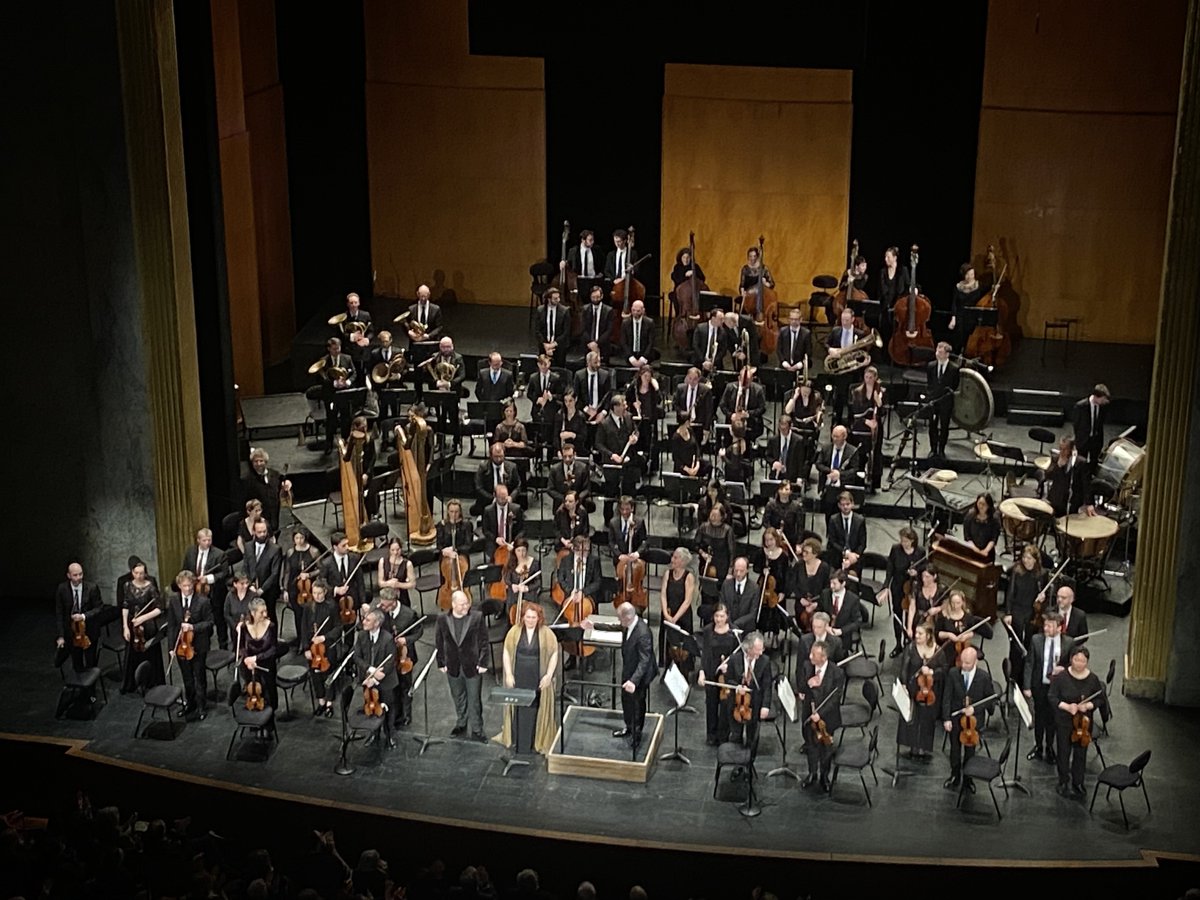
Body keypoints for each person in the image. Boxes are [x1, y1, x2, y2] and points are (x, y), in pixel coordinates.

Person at [584, 602, 657, 749]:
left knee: (637, 704)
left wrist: (633, 681)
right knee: (626, 700)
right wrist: (594, 626)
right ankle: (629, 727)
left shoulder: (643, 633)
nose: (618, 621)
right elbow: (615, 627)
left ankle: (637, 734)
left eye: (619, 618)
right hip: (629, 668)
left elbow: (644, 661)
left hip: (640, 675)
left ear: (628, 617)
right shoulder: (628, 624)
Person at [498, 604, 559, 755]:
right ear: (523, 617)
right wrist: (509, 674)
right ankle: (517, 740)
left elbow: (554, 654)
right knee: (519, 708)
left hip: (536, 678)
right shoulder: (514, 631)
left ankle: (533, 741)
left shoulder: (547, 633)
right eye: (528, 617)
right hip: (519, 676)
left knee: (534, 708)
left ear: (539, 618)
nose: (530, 620)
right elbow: (506, 652)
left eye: (533, 617)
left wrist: (549, 675)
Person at [1048, 646, 1109, 798]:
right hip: (1065, 721)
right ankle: (1063, 781)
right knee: (1063, 752)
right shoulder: (1061, 678)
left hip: (1084, 722)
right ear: (1071, 660)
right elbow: (1052, 697)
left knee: (1081, 753)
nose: (1079, 663)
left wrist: (1088, 705)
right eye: (1076, 660)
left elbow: (1100, 698)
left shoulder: (1093, 679)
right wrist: (1068, 707)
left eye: (1083, 661)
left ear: (1087, 662)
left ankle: (1078, 782)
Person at [436, 590, 490, 742]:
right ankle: (461, 723)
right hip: (452, 665)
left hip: (472, 665)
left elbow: (484, 641)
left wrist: (483, 662)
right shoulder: (442, 619)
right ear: (453, 605)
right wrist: (441, 662)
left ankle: (477, 729)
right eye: (462, 604)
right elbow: (439, 641)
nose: (466, 606)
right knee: (458, 697)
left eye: (467, 603)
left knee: (474, 699)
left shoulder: (477, 617)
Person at [1022, 611, 1075, 765]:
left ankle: (1050, 747)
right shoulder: (1036, 640)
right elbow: (1030, 663)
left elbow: (1073, 665)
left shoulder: (1069, 643)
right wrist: (1026, 686)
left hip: (1057, 688)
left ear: (1059, 628)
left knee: (1052, 719)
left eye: (1050, 626)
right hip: (1040, 685)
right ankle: (1038, 746)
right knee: (1039, 717)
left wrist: (1064, 669)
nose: (1045, 629)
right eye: (1045, 625)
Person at [941, 646, 995, 790]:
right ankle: (955, 775)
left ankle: (968, 778)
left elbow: (990, 699)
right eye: (962, 662)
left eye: (967, 663)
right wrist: (946, 718)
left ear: (975, 662)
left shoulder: (983, 677)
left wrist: (974, 709)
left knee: (970, 750)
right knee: (955, 748)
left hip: (973, 721)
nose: (963, 666)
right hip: (956, 719)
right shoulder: (953, 673)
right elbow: (947, 697)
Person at [167, 571, 214, 720]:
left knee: (199, 676)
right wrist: (170, 647)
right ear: (179, 585)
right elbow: (172, 625)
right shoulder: (173, 601)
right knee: (186, 677)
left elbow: (209, 623)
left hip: (199, 645)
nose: (187, 589)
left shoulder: (203, 601)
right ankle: (190, 703)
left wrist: (193, 628)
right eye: (184, 586)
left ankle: (201, 706)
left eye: (190, 585)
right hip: (181, 646)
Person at [798, 641, 844, 791]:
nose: (810, 656)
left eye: (814, 655)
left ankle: (825, 776)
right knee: (811, 746)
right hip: (809, 715)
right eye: (811, 653)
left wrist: (820, 713)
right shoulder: (807, 666)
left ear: (823, 658)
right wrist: (808, 684)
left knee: (826, 749)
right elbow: (801, 689)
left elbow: (835, 697)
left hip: (827, 717)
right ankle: (812, 774)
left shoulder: (837, 672)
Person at [897, 622, 946, 759]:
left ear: (928, 635)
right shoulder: (911, 648)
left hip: (930, 690)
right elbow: (904, 668)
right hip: (913, 688)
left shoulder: (938, 650)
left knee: (926, 719)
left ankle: (924, 747)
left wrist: (932, 672)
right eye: (916, 633)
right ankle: (912, 746)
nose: (916, 636)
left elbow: (943, 670)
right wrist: (904, 684)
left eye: (920, 633)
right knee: (912, 718)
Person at [375, 587, 421, 727]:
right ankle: (395, 715)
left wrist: (405, 640)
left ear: (394, 602)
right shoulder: (382, 612)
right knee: (392, 687)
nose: (383, 607)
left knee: (405, 687)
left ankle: (406, 715)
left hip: (404, 656)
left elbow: (418, 632)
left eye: (386, 605)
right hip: (389, 657)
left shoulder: (409, 614)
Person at [354, 606, 399, 749]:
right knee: (371, 707)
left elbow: (391, 660)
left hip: (385, 680)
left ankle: (390, 734)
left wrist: (378, 676)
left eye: (368, 620)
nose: (364, 622)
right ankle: (374, 733)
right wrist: (370, 670)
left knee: (388, 708)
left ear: (377, 623)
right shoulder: (361, 635)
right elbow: (357, 656)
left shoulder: (387, 638)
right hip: (368, 678)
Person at [696, 604, 740, 745]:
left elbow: (737, 655)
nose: (719, 619)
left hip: (727, 674)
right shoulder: (708, 630)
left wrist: (729, 665)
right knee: (711, 703)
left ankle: (723, 735)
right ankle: (711, 734)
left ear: (727, 616)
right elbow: (705, 654)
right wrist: (702, 672)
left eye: (722, 616)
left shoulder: (734, 633)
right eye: (716, 616)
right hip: (711, 671)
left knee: (726, 705)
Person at [1004, 545, 1047, 686]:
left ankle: (1025, 677)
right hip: (1017, 609)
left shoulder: (1041, 574)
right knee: (1016, 644)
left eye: (1029, 558)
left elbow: (1043, 594)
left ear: (1035, 560)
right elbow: (1010, 593)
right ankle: (1013, 675)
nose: (1026, 561)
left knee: (1029, 643)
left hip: (1032, 611)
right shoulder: (1017, 571)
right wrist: (1008, 613)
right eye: (1024, 558)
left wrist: (1042, 596)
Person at [722, 632, 773, 747]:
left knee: (753, 737)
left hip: (755, 702)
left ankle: (749, 759)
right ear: (748, 648)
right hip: (736, 703)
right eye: (757, 649)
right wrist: (736, 687)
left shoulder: (765, 661)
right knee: (735, 735)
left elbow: (767, 685)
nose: (760, 652)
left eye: (762, 649)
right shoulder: (734, 659)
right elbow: (728, 679)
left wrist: (765, 706)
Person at [120, 560, 164, 693]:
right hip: (133, 626)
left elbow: (159, 609)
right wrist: (125, 627)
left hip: (148, 626)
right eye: (136, 573)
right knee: (132, 655)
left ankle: (151, 682)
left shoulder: (150, 587)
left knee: (150, 654)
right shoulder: (127, 586)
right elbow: (126, 605)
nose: (139, 576)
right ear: (132, 573)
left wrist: (142, 618)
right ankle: (133, 683)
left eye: (142, 573)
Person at [301, 579, 342, 718]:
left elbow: (338, 627)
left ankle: (329, 703)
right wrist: (306, 648)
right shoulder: (308, 607)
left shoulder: (331, 606)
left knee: (328, 675)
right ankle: (321, 702)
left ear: (325, 592)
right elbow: (304, 628)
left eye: (319, 593)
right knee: (315, 675)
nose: (317, 596)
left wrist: (324, 638)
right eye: (314, 593)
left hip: (327, 647)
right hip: (312, 648)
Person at [184, 528, 230, 649]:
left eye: (209, 540)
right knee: (200, 620)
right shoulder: (190, 552)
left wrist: (208, 578)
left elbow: (224, 573)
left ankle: (223, 645)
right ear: (198, 540)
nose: (207, 543)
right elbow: (185, 570)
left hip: (214, 593)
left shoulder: (219, 554)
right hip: (197, 593)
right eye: (204, 540)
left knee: (219, 620)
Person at [882, 527, 924, 656]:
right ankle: (898, 644)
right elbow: (890, 568)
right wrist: (886, 586)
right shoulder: (895, 549)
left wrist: (916, 572)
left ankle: (909, 641)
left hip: (913, 587)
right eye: (902, 540)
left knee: (911, 615)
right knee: (898, 614)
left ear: (912, 540)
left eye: (906, 541)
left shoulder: (920, 551)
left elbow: (924, 567)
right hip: (898, 586)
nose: (903, 543)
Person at [55, 562, 103, 672]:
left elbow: (99, 608)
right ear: (69, 576)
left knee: (91, 663)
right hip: (72, 632)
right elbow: (59, 613)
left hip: (89, 631)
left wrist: (83, 616)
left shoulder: (92, 588)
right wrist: (61, 636)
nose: (78, 578)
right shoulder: (62, 589)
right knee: (77, 663)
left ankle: (90, 688)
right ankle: (80, 685)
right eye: (75, 575)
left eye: (80, 574)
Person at [825, 307, 866, 425]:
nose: (844, 322)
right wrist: (830, 349)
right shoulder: (835, 331)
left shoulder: (860, 334)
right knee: (838, 399)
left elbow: (863, 354)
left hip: (853, 372)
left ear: (853, 319)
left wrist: (859, 360)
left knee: (852, 401)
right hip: (839, 372)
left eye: (847, 320)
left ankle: (851, 423)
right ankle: (836, 422)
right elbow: (826, 343)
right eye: (843, 320)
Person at [659, 547, 697, 673]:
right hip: (668, 612)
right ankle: (668, 668)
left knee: (683, 644)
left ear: (683, 561)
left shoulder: (688, 577)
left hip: (682, 615)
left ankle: (683, 669)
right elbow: (663, 594)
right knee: (668, 641)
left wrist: (675, 618)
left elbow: (687, 601)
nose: (672, 560)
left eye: (675, 558)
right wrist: (665, 613)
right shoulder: (667, 574)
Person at [848, 366, 885, 492]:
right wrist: (866, 421)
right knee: (861, 455)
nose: (868, 380)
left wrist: (879, 403)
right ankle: (859, 482)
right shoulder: (857, 392)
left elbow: (883, 412)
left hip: (875, 429)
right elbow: (854, 413)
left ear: (875, 378)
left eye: (871, 377)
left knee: (875, 455)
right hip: (861, 428)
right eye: (866, 377)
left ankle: (874, 483)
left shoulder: (880, 392)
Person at [281, 528, 320, 648]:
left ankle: (309, 639)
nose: (299, 541)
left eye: (301, 538)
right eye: (297, 538)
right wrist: (285, 589)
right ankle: (300, 639)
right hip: (294, 588)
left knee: (310, 614)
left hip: (309, 588)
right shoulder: (290, 552)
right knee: (298, 615)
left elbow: (320, 569)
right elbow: (287, 571)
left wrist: (309, 575)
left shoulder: (314, 551)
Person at [318, 337, 357, 453]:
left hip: (344, 393)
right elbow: (321, 378)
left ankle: (345, 441)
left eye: (338, 348)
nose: (337, 351)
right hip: (331, 394)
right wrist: (334, 383)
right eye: (334, 349)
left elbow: (354, 373)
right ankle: (329, 443)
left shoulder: (347, 358)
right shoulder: (323, 361)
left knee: (346, 418)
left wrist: (348, 382)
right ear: (329, 349)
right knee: (331, 419)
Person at [934, 589, 993, 664]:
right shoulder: (943, 615)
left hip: (963, 645)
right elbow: (937, 633)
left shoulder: (967, 616)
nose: (955, 606)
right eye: (953, 603)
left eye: (958, 603)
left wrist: (966, 636)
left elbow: (972, 631)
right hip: (947, 646)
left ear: (962, 602)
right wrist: (949, 635)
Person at [242, 448, 292, 534]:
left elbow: (283, 485)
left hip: (275, 515)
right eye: (255, 461)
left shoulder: (275, 474)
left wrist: (287, 483)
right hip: (259, 519)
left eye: (261, 461)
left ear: (266, 461)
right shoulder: (248, 480)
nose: (258, 464)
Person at [244, 516, 283, 625]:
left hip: (268, 590)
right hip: (251, 588)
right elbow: (245, 567)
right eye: (259, 532)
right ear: (254, 532)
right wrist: (250, 584)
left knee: (269, 615)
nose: (262, 534)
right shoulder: (248, 546)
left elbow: (275, 573)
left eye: (264, 531)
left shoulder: (275, 549)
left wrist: (262, 589)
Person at [695, 504, 735, 606]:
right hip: (706, 564)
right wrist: (702, 553)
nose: (712, 517)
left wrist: (730, 571)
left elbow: (731, 551)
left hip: (722, 565)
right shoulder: (703, 527)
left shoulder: (727, 530)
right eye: (712, 514)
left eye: (716, 515)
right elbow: (695, 544)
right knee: (706, 592)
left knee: (719, 595)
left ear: (722, 517)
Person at [1043, 436, 1092, 516]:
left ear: (1072, 449)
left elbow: (1086, 484)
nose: (1062, 452)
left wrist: (1089, 503)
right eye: (1060, 448)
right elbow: (1048, 475)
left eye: (1065, 449)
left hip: (1072, 500)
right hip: (1056, 498)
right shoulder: (1056, 458)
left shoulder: (1081, 463)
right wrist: (1058, 466)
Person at [925, 341, 959, 459]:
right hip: (933, 401)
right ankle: (933, 449)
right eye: (937, 351)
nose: (938, 354)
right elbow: (930, 383)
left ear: (947, 354)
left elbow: (955, 385)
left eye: (941, 352)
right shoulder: (931, 366)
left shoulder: (954, 369)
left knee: (944, 426)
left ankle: (941, 450)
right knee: (932, 426)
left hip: (946, 402)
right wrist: (930, 397)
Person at [817, 570, 863, 650]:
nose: (831, 586)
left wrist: (841, 631)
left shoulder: (853, 599)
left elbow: (857, 622)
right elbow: (819, 612)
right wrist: (826, 626)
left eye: (834, 583)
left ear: (843, 583)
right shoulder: (825, 594)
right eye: (831, 583)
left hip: (843, 636)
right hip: (825, 633)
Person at [321, 531, 365, 616]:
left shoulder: (354, 558)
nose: (347, 547)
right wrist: (335, 590)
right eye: (343, 545)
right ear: (335, 547)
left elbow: (360, 582)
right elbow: (322, 582)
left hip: (351, 602)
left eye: (347, 544)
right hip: (335, 603)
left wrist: (363, 602)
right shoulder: (326, 563)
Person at [1069, 383, 1111, 471]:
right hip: (1083, 439)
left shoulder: (1103, 407)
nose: (1104, 402)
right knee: (1081, 463)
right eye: (1103, 399)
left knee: (1094, 463)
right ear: (1096, 396)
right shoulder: (1080, 406)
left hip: (1096, 440)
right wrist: (1078, 438)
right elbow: (1076, 424)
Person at [719, 364, 766, 442]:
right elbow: (722, 405)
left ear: (752, 379)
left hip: (750, 423)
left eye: (748, 381)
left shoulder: (758, 390)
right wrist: (731, 415)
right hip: (732, 422)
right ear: (739, 378)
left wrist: (748, 414)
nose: (745, 384)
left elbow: (762, 408)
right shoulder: (730, 387)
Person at [791, 538, 832, 629]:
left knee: (817, 620)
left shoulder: (824, 568)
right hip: (802, 603)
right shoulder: (799, 565)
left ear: (815, 554)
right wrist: (801, 598)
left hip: (818, 604)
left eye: (807, 552)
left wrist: (816, 604)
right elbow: (793, 584)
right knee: (803, 618)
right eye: (803, 551)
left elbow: (827, 588)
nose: (803, 554)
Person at [626, 364, 660, 470]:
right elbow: (627, 401)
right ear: (640, 375)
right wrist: (633, 405)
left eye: (649, 376)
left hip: (650, 421)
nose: (647, 378)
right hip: (637, 420)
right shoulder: (634, 386)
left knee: (650, 443)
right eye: (645, 376)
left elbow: (659, 402)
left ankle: (650, 466)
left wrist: (657, 388)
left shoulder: (653, 388)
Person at [815, 426, 859, 507]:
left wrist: (839, 474)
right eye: (833, 436)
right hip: (827, 486)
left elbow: (854, 470)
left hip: (843, 487)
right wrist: (830, 471)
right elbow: (818, 464)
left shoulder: (852, 451)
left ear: (844, 437)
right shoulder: (826, 448)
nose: (834, 439)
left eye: (837, 437)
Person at [473, 442, 521, 516]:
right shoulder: (483, 467)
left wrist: (511, 497)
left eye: (501, 456)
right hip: (488, 501)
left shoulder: (512, 467)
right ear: (491, 456)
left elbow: (518, 486)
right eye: (496, 456)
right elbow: (478, 487)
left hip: (507, 502)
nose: (498, 459)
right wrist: (494, 499)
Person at [877, 246, 910, 347]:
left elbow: (908, 286)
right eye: (885, 257)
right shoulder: (883, 272)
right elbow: (881, 290)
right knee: (884, 333)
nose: (886, 259)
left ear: (895, 258)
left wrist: (914, 289)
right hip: (885, 309)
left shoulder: (903, 270)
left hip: (898, 309)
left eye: (888, 257)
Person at [825, 491, 866, 571]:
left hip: (855, 558)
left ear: (852, 504)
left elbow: (862, 543)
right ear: (839, 505)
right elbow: (832, 541)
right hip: (838, 556)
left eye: (847, 504)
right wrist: (846, 553)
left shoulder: (860, 520)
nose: (845, 507)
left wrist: (853, 557)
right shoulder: (833, 520)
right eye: (843, 505)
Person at [502, 538, 540, 624]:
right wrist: (512, 585)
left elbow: (538, 582)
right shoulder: (511, 562)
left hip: (529, 596)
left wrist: (527, 588)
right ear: (514, 551)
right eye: (518, 550)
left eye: (523, 550)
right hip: (514, 596)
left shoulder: (534, 563)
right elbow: (507, 578)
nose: (521, 554)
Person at [481, 484, 525, 556]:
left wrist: (515, 541)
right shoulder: (488, 510)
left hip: (512, 542)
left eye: (505, 497)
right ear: (495, 496)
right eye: (501, 498)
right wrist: (496, 539)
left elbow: (523, 529)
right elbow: (486, 530)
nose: (504, 500)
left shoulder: (516, 509)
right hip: (495, 543)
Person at [946, 264, 981, 352]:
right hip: (960, 315)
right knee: (959, 337)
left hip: (973, 316)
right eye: (968, 274)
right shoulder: (958, 287)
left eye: (972, 274)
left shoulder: (979, 286)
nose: (970, 277)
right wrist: (953, 318)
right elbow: (954, 303)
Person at [717, 557, 758, 632]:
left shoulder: (754, 588)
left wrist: (736, 624)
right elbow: (722, 605)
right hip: (727, 625)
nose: (738, 574)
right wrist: (729, 623)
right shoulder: (726, 584)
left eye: (741, 571)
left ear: (747, 570)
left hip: (746, 628)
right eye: (736, 571)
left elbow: (752, 614)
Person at [904, 565, 944, 639]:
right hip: (919, 620)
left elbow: (946, 605)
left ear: (934, 576)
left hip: (935, 622)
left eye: (927, 577)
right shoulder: (916, 586)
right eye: (923, 576)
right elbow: (912, 608)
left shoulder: (941, 589)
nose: (924, 579)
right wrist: (909, 627)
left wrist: (937, 609)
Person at [673, 366, 715, 435]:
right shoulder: (680, 388)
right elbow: (675, 404)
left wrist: (706, 428)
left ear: (699, 379)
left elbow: (709, 411)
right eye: (690, 378)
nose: (692, 381)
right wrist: (680, 412)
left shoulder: (705, 391)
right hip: (683, 424)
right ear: (687, 377)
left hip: (699, 425)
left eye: (695, 379)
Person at [574, 351, 612, 426]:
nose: (598, 365)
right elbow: (576, 396)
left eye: (599, 362)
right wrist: (587, 410)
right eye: (595, 362)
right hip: (584, 412)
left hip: (600, 413)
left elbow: (608, 396)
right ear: (588, 362)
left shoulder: (605, 375)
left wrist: (603, 413)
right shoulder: (579, 375)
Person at [765, 414, 806, 484]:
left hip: (792, 476)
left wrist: (800, 477)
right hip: (777, 475)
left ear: (790, 426)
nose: (783, 430)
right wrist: (774, 462)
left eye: (785, 428)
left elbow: (801, 460)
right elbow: (767, 456)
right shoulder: (773, 440)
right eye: (781, 428)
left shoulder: (798, 440)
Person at [535, 287, 570, 367]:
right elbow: (537, 330)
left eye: (558, 298)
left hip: (559, 346)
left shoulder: (564, 311)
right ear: (549, 299)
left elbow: (566, 331)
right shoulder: (540, 310)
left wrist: (553, 344)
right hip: (544, 346)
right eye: (555, 298)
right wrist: (545, 345)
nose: (558, 300)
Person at [962, 492, 1001, 562]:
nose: (981, 506)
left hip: (988, 553)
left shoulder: (994, 519)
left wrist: (985, 551)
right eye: (979, 503)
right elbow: (967, 537)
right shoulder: (969, 517)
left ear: (989, 505)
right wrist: (975, 550)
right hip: (972, 551)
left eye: (984, 504)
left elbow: (993, 539)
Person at [377, 537, 415, 608]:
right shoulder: (382, 561)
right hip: (387, 597)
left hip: (402, 597)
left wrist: (398, 584)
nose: (395, 552)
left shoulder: (408, 564)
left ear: (401, 549)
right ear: (389, 549)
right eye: (392, 550)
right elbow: (380, 583)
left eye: (398, 549)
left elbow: (412, 584)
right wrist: (388, 583)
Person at [579, 284, 613, 360]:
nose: (595, 299)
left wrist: (597, 343)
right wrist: (591, 343)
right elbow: (583, 328)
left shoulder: (608, 310)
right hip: (588, 345)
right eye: (593, 297)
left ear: (602, 296)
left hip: (603, 345)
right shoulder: (585, 309)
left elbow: (609, 330)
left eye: (597, 297)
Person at [554, 487, 592, 554]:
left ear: (576, 502)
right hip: (564, 541)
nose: (567, 503)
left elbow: (585, 531)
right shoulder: (559, 512)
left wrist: (574, 544)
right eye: (565, 501)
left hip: (578, 542)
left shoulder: (583, 513)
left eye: (570, 501)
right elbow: (556, 529)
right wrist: (564, 541)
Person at [763, 480, 801, 545]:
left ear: (790, 491)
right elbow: (766, 522)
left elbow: (800, 526)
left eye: (786, 489)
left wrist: (798, 543)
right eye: (781, 489)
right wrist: (774, 532)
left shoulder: (796, 506)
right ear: (778, 490)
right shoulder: (770, 505)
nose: (783, 492)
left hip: (790, 539)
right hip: (773, 538)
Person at [692, 306, 729, 374]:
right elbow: (695, 345)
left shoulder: (723, 332)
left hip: (715, 364)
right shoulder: (700, 328)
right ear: (713, 318)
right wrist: (704, 361)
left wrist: (713, 361)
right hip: (700, 363)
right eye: (721, 319)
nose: (723, 321)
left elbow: (723, 350)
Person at [620, 300, 657, 366]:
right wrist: (631, 358)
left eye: (638, 311)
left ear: (643, 310)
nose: (635, 313)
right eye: (633, 310)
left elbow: (651, 343)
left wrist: (643, 358)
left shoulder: (650, 323)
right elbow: (623, 342)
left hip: (645, 356)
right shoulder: (625, 323)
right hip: (630, 357)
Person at [337, 291, 373, 360]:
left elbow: (371, 331)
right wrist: (352, 336)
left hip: (362, 350)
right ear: (347, 304)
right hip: (347, 351)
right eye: (351, 303)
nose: (354, 305)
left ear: (359, 303)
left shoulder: (366, 315)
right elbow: (340, 334)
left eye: (356, 302)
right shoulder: (342, 317)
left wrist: (367, 339)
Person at [554, 389, 590, 455]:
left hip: (577, 450)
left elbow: (584, 438)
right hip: (563, 450)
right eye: (566, 401)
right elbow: (555, 436)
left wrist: (572, 435)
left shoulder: (580, 416)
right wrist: (558, 450)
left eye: (570, 401)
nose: (568, 404)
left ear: (575, 399)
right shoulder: (560, 414)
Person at [777, 308, 812, 372]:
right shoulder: (783, 331)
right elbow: (779, 349)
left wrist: (799, 364)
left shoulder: (806, 333)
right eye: (791, 319)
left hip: (799, 367)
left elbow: (808, 352)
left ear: (800, 320)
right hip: (784, 366)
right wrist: (783, 362)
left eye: (796, 319)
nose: (793, 321)